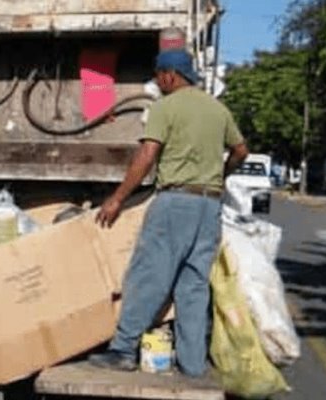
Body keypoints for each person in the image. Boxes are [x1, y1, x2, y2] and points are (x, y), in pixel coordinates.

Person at [88, 50, 249, 376]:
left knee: (148, 277)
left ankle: (122, 350)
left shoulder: (165, 107)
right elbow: (241, 150)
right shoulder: (218, 109)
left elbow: (148, 155)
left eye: (159, 75)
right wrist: (221, 174)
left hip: (176, 202)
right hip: (209, 205)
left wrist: (117, 199)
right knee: (193, 285)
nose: (157, 82)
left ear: (171, 76)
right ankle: (192, 364)